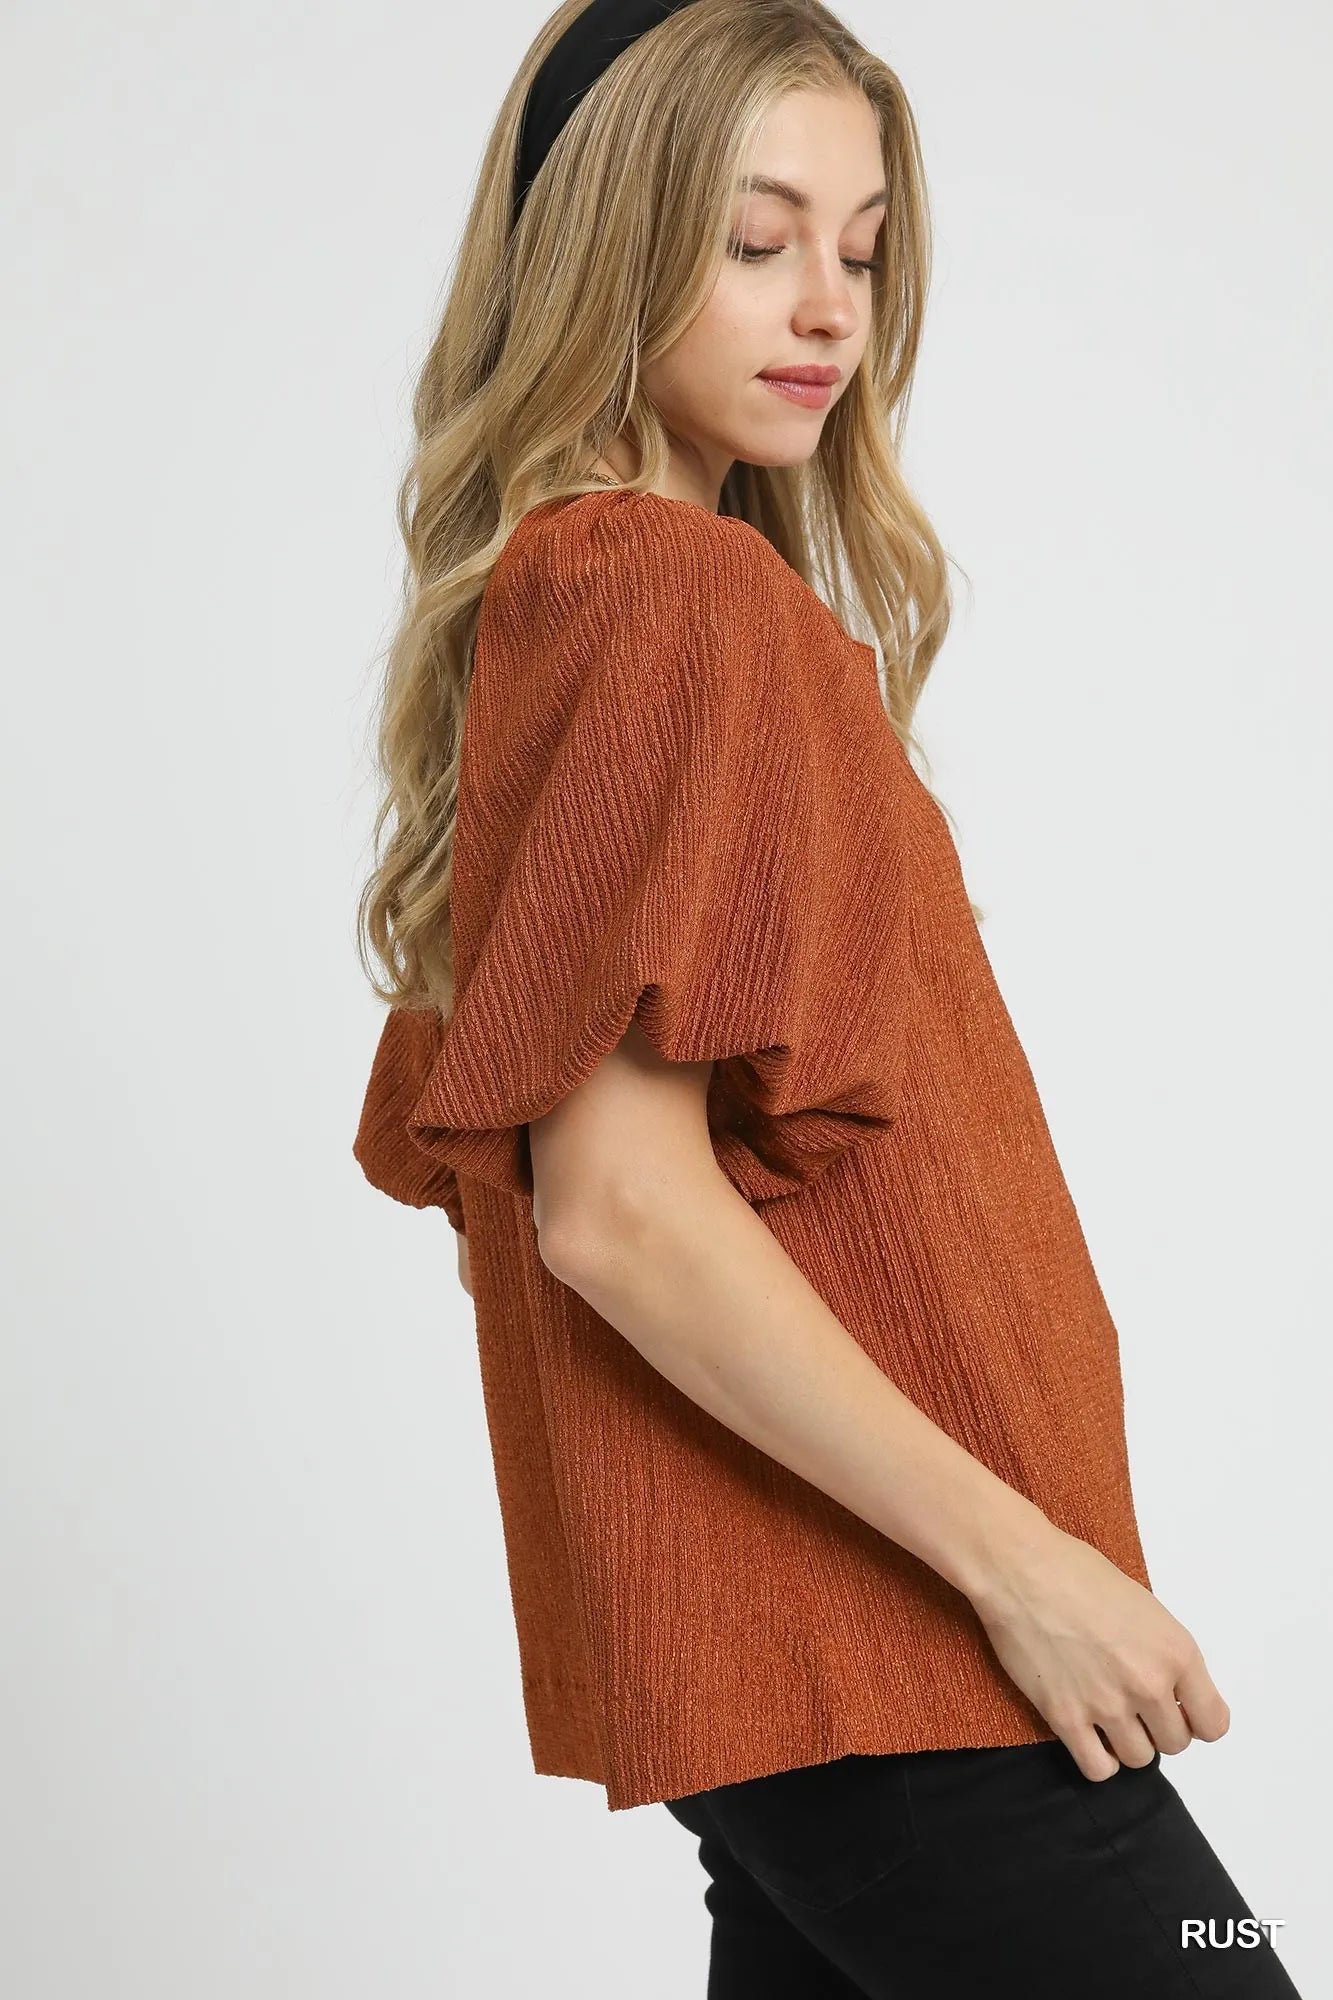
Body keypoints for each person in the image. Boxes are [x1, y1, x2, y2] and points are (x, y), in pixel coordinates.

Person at [351, 2, 1302, 1993]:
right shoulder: (669, 598)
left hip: (820, 1682)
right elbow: (618, 1202)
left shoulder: (590, 591)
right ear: (606, 241)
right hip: (900, 1658)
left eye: (862, 248)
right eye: (755, 235)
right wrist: (1027, 1570)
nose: (828, 306)